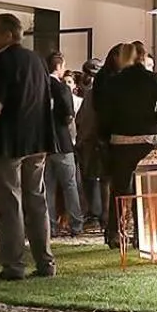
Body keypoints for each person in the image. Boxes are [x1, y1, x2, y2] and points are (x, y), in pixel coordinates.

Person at [0, 13, 56, 280]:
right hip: (37, 139)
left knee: (10, 204)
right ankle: (45, 261)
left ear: (8, 35)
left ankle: (13, 265)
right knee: (37, 200)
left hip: (8, 142)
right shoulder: (37, 60)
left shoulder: (1, 61)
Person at [93, 41, 157, 250]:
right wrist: (152, 120)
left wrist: (107, 134)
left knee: (119, 189)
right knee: (144, 188)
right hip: (148, 139)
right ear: (142, 57)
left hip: (120, 139)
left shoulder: (114, 81)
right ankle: (142, 233)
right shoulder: (152, 79)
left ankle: (115, 234)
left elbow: (104, 112)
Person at [43, 51, 83, 237]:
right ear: (58, 67)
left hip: (43, 143)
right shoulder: (61, 88)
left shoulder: (40, 86)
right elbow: (68, 115)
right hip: (62, 142)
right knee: (69, 185)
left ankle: (49, 225)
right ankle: (76, 224)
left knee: (47, 187)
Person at [73, 57, 105, 229]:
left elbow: (89, 120)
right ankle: (95, 213)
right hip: (87, 141)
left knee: (94, 179)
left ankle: (97, 214)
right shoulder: (90, 93)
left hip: (93, 141)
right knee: (90, 179)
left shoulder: (96, 93)